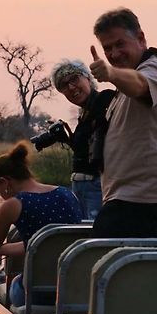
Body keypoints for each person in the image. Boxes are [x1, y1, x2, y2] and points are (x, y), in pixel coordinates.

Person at [88, 7, 157, 238]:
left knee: (99, 266)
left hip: (144, 201)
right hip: (128, 199)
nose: (114, 53)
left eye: (120, 44)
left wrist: (110, 73)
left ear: (141, 38)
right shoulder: (126, 80)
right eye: (108, 48)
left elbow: (140, 84)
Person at [0, 141, 82, 306]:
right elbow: (50, 242)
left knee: (11, 284)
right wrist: (3, 249)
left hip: (38, 294)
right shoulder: (68, 194)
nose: (0, 194)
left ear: (5, 181)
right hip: (75, 289)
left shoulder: (14, 205)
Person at [51, 59, 115, 220]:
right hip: (81, 185)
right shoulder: (84, 113)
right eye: (64, 86)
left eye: (74, 79)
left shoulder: (105, 99)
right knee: (81, 229)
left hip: (98, 184)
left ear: (88, 78)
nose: (71, 87)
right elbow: (90, 149)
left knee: (93, 233)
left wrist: (112, 74)